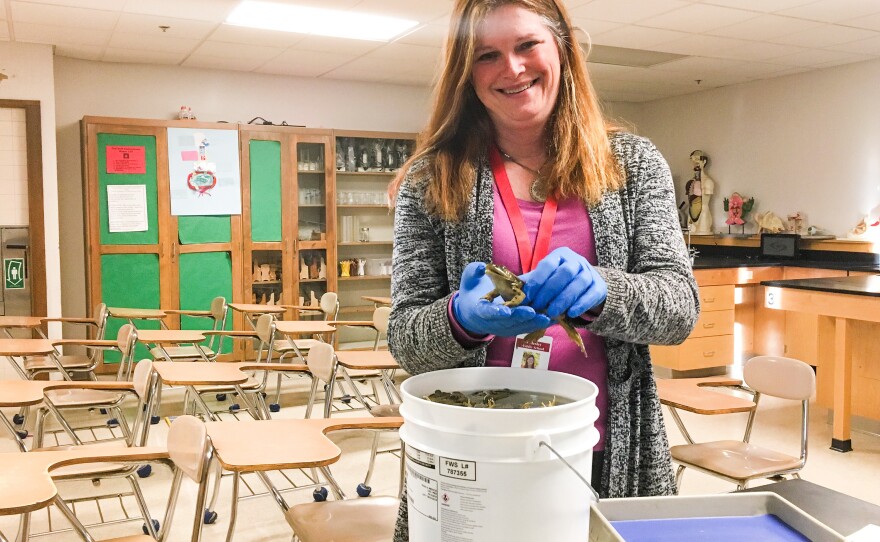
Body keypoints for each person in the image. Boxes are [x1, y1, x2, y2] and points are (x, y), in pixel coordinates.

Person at [387, 0, 699, 539]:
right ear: (466, 72)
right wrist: (460, 319)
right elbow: (407, 341)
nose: (512, 68)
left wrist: (604, 292)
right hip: (474, 456)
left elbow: (679, 311)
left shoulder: (632, 165)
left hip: (601, 448)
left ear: (562, 49)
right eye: (487, 55)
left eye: (527, 45)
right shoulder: (431, 180)